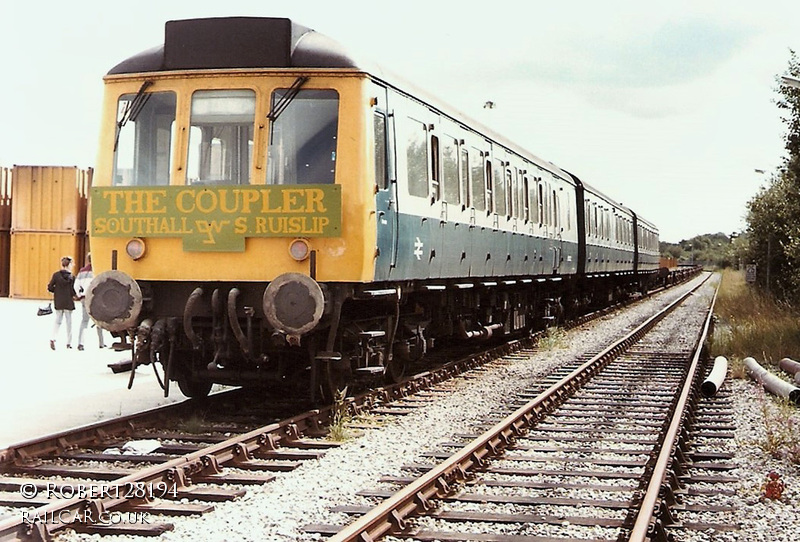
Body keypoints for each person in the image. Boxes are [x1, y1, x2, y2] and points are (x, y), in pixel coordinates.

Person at [74, 253, 105, 350]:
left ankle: (81, 343)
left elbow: (76, 285)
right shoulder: (98, 271)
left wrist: (80, 295)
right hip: (96, 298)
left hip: (84, 298)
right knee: (99, 321)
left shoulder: (82, 271)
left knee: (84, 321)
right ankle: (101, 343)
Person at [47, 256, 76, 350]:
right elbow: (72, 291)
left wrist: (57, 290)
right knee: (69, 323)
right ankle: (69, 343)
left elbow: (50, 287)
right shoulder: (72, 277)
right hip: (68, 301)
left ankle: (53, 338)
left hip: (58, 301)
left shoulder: (56, 275)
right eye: (72, 264)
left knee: (58, 321)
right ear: (69, 265)